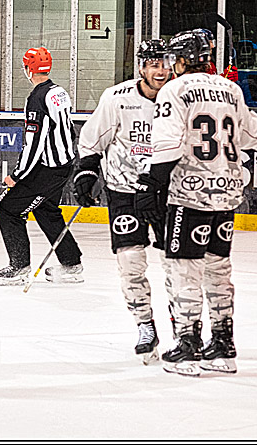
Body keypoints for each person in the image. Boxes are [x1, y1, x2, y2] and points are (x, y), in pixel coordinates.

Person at [134, 30, 257, 377]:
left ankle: (187, 346)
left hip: (191, 193)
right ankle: (224, 344)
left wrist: (149, 183)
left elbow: (169, 143)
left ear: (182, 60)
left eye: (174, 58)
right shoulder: (229, 89)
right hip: (227, 192)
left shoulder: (175, 89)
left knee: (184, 268)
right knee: (218, 269)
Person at [74, 39, 172, 363]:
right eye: (154, 63)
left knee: (178, 265)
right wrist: (87, 172)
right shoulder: (117, 98)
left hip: (167, 194)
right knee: (130, 264)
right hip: (125, 192)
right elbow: (92, 140)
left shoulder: (181, 98)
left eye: (165, 63)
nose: (161, 70)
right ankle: (145, 326)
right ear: (141, 66)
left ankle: (184, 329)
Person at [0, 47, 83, 285]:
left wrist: (17, 175)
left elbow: (34, 142)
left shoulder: (37, 98)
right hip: (64, 164)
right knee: (46, 210)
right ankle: (72, 264)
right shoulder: (59, 92)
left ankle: (20, 266)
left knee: (8, 208)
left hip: (47, 168)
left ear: (28, 69)